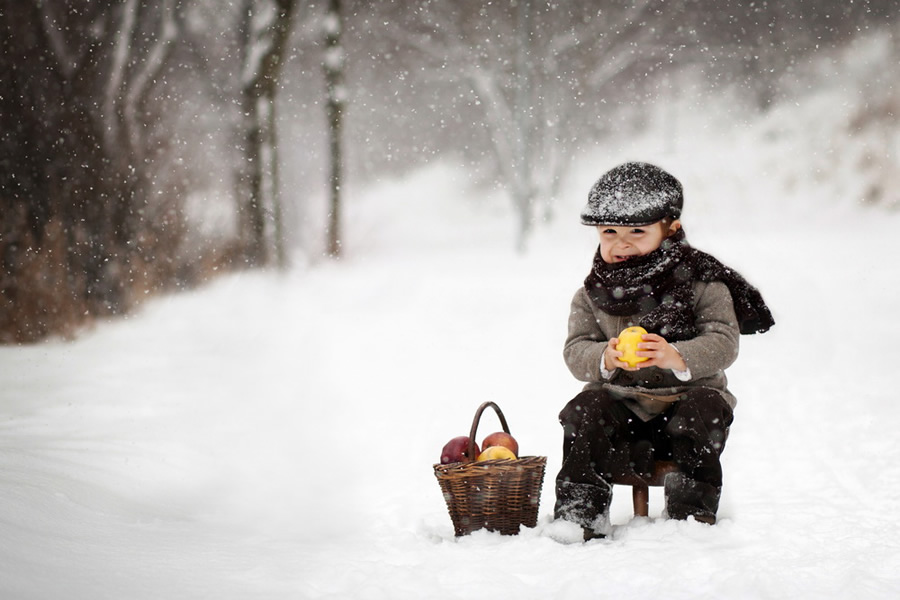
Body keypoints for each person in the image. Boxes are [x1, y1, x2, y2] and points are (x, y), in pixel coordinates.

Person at [554, 161, 774, 540]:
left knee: (703, 410)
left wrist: (678, 356)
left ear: (670, 228)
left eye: (637, 232)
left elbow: (723, 340)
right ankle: (580, 511)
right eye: (609, 232)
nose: (621, 243)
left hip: (685, 402)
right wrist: (604, 358)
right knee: (584, 411)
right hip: (622, 408)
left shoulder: (702, 283)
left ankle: (691, 513)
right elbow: (576, 350)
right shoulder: (592, 293)